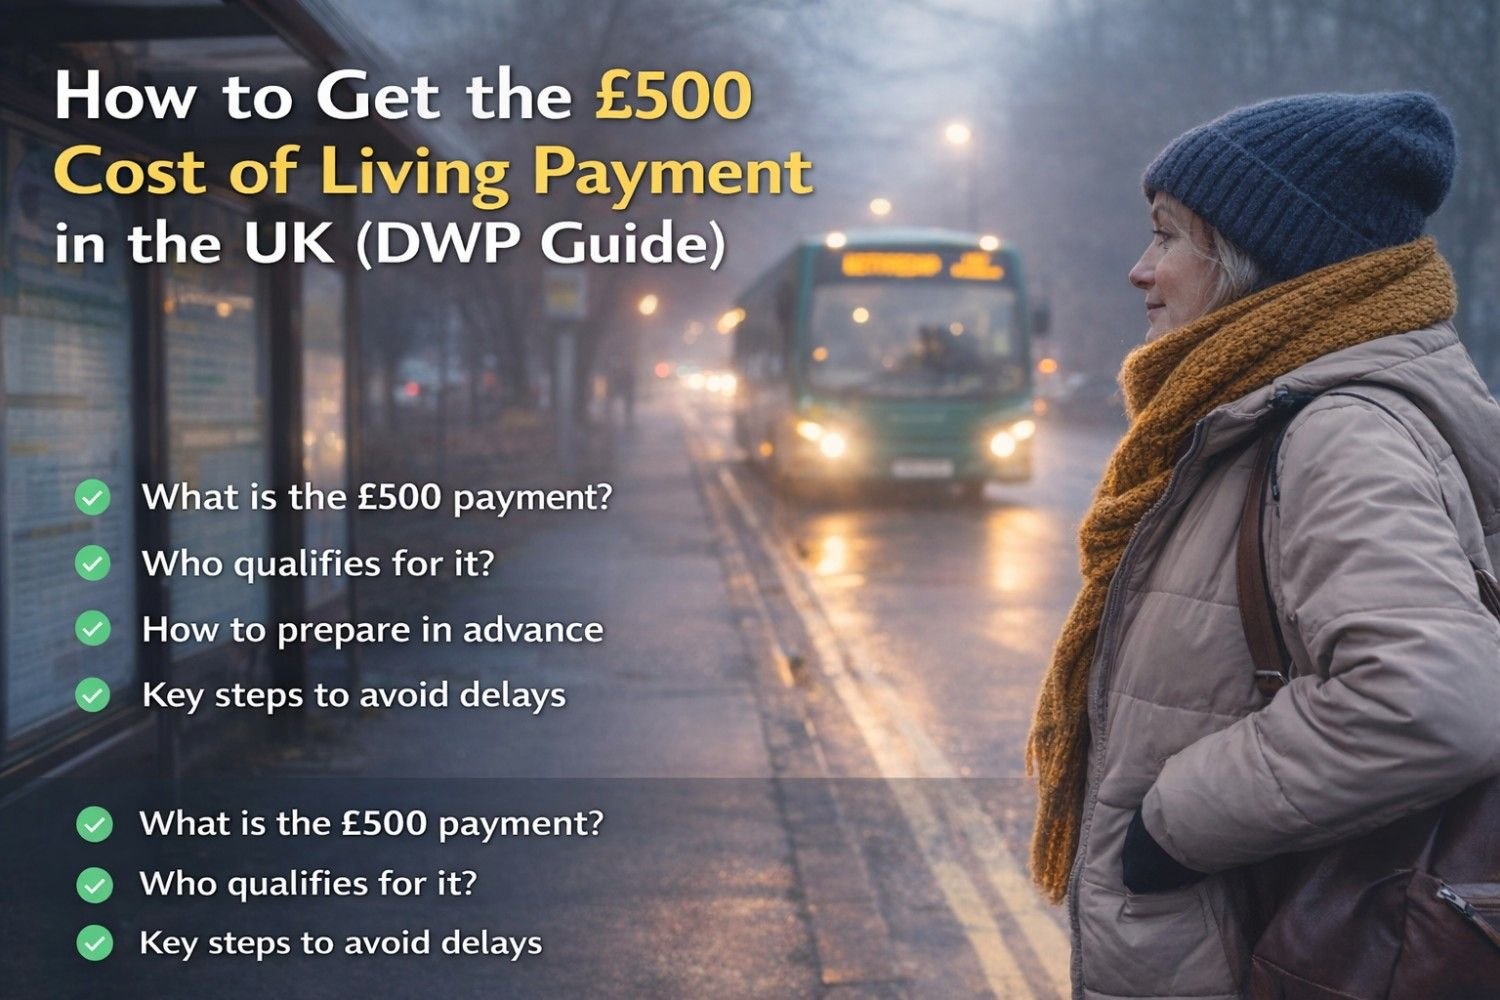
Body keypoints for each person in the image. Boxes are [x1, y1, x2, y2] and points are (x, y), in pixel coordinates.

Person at [1025, 91, 1500, 998]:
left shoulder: (1336, 431)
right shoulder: (1257, 416)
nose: (1139, 269)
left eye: (1167, 236)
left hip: (1262, 949)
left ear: (1253, 262)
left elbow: (1432, 701)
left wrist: (1171, 822)